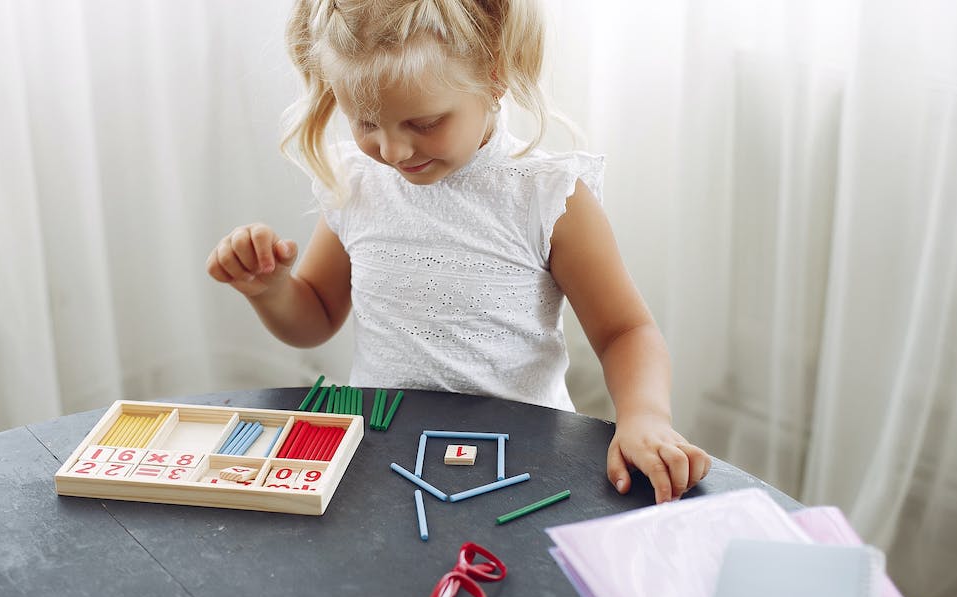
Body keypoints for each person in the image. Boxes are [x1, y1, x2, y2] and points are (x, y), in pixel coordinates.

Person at [206, 0, 709, 503]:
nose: (393, 151)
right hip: (384, 460)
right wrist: (269, 288)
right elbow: (313, 318)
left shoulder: (547, 196)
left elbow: (626, 331)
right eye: (365, 123)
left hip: (524, 462)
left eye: (423, 123)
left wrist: (645, 417)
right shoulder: (358, 184)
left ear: (494, 79)